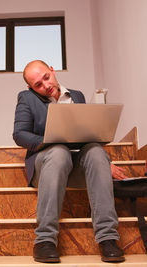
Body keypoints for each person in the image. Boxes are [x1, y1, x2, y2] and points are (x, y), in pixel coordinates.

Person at [13, 60, 127, 263]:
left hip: (76, 165)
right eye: (38, 84)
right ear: (31, 88)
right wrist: (50, 140)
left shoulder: (77, 96)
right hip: (48, 164)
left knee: (95, 151)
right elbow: (19, 134)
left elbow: (85, 134)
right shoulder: (26, 98)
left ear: (52, 70)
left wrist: (104, 162)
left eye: (46, 77)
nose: (45, 85)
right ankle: (44, 240)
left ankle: (108, 238)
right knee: (59, 152)